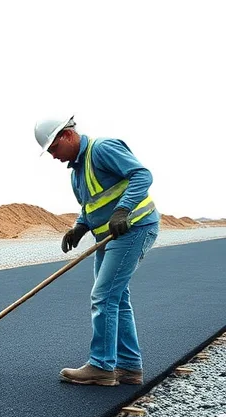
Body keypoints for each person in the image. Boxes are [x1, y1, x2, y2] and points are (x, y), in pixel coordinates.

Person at [34, 116, 159, 386]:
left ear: (67, 135)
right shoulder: (76, 172)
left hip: (134, 228)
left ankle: (102, 366)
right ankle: (129, 366)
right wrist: (79, 227)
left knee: (103, 296)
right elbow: (90, 206)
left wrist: (123, 209)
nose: (54, 156)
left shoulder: (102, 149)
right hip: (107, 238)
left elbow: (142, 175)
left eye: (54, 148)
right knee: (116, 298)